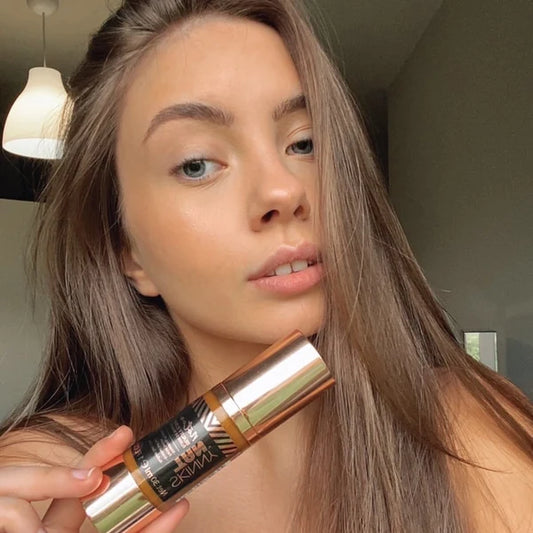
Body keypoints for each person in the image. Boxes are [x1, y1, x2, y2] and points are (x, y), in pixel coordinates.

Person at [0, 0, 532, 531]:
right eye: (196, 164)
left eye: (304, 143)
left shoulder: (470, 428)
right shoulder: (51, 486)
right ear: (126, 250)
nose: (284, 190)